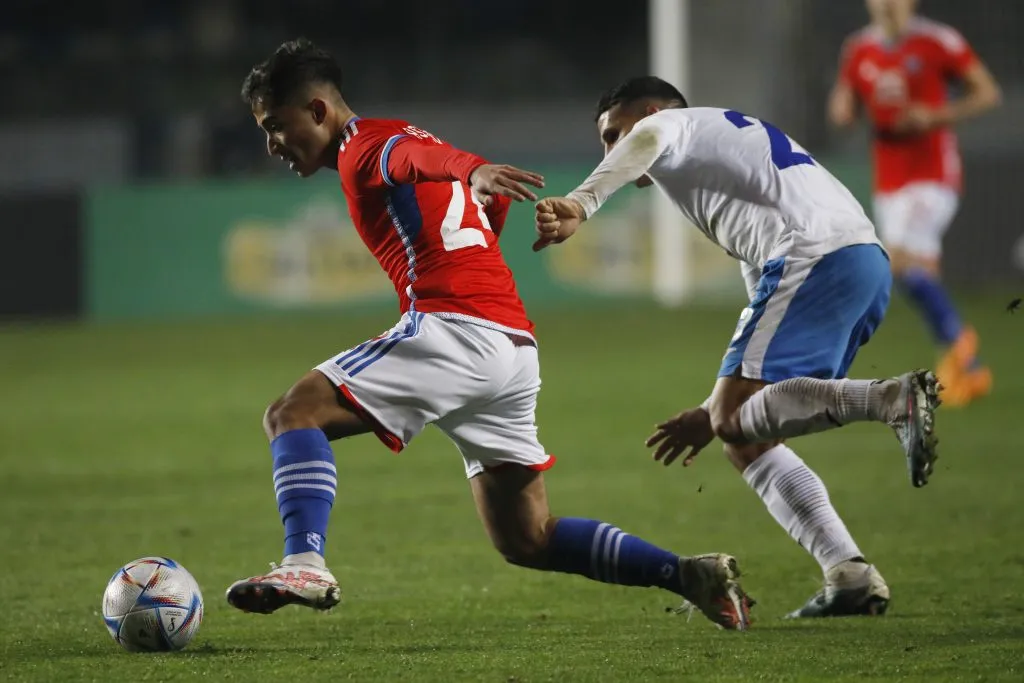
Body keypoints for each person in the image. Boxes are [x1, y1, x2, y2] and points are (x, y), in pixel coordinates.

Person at [224, 39, 752, 630]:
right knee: (528, 538)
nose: (272, 144)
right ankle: (689, 574)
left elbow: (411, 163)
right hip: (511, 349)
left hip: (454, 330)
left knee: (292, 415)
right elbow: (472, 189)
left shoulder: (364, 145)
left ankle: (304, 563)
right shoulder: (411, 133)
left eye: (276, 125)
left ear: (318, 111)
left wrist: (469, 170)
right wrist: (476, 177)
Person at [533, 76, 941, 618]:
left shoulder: (669, 125)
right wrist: (712, 412)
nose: (611, 151)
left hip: (811, 256)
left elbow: (647, 137)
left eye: (613, 135)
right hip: (858, 261)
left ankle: (890, 400)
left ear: (649, 111)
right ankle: (849, 574)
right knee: (745, 434)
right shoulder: (722, 159)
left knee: (735, 419)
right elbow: (759, 304)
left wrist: (583, 203)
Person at [828, 0, 1002, 407]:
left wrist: (937, 115)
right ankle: (967, 365)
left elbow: (988, 93)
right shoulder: (858, 48)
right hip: (889, 177)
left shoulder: (938, 41)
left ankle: (960, 342)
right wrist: (842, 108)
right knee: (915, 274)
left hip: (932, 173)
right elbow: (844, 103)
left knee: (897, 261)